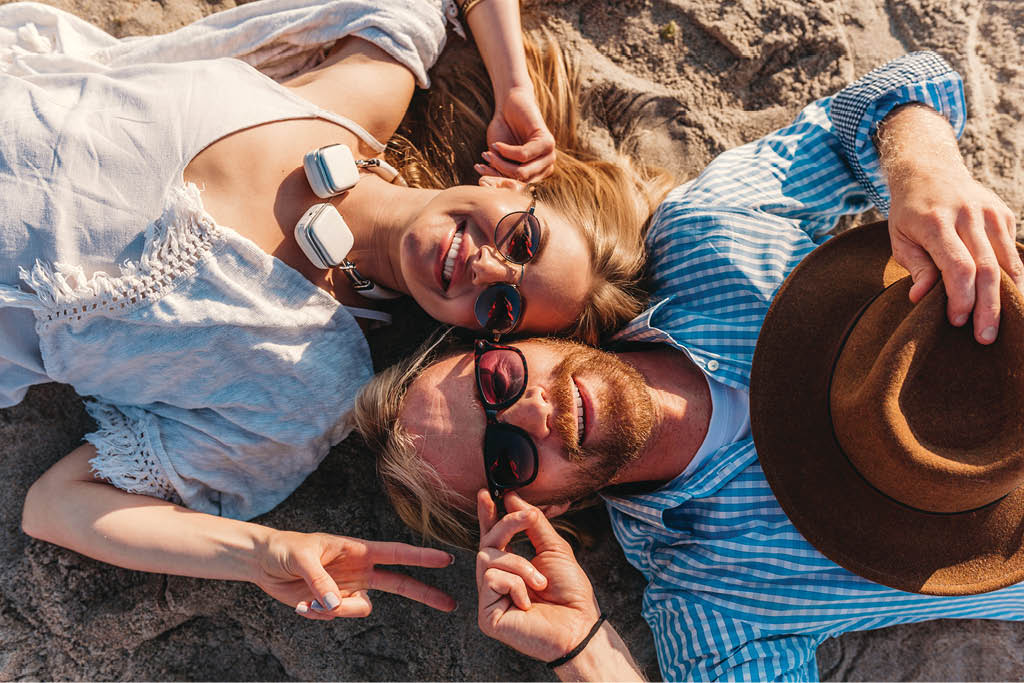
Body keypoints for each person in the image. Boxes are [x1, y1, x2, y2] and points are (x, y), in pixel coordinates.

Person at [355, 51, 1024, 679]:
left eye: (497, 382)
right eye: (506, 457)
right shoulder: (713, 598)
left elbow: (905, 87)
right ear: (546, 506)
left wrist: (923, 169)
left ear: (514, 335)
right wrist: (585, 653)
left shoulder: (705, 237)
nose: (531, 411)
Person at [3, 0, 668, 621]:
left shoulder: (307, 383)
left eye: (501, 305)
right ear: (506, 182)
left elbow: (57, 505)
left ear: (475, 341)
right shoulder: (367, 91)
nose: (486, 267)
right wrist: (513, 87)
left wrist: (255, 554)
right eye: (523, 238)